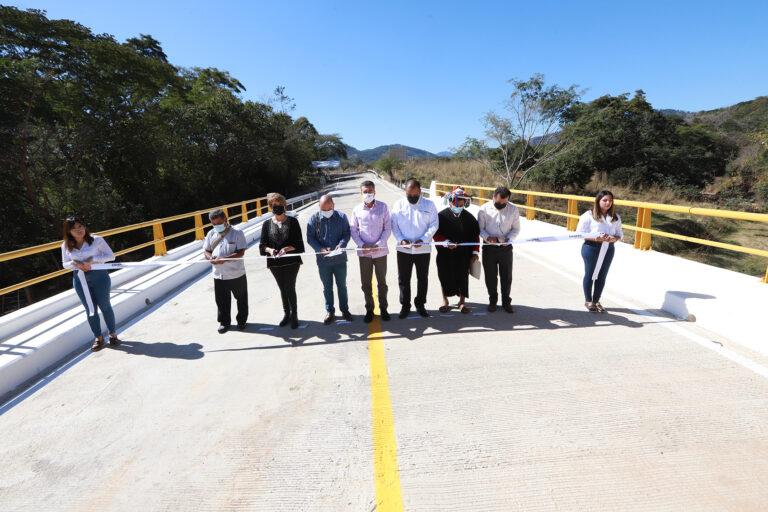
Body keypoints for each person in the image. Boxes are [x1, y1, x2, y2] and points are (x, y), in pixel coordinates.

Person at [61, 216, 119, 351]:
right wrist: (73, 263)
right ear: (69, 231)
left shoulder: (96, 240)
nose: (78, 230)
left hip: (100, 278)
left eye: (80, 226)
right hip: (80, 280)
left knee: (105, 306)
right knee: (90, 309)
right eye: (74, 229)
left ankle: (113, 334)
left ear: (84, 227)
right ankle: (98, 337)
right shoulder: (65, 245)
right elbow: (64, 263)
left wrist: (93, 259)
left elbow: (111, 256)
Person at [390, 178, 439, 319]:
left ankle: (420, 304)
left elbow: (434, 225)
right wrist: (401, 240)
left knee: (422, 278)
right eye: (408, 194)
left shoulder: (429, 205)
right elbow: (394, 225)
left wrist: (423, 240)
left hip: (423, 249)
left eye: (414, 194)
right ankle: (405, 306)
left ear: (420, 191)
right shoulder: (398, 204)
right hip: (403, 249)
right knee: (404, 279)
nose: (411, 197)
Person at [259, 193, 305, 328]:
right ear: (270, 207)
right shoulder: (266, 224)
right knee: (282, 288)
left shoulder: (293, 222)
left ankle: (295, 315)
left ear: (284, 206)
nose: (276, 207)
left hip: (291, 261)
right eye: (274, 205)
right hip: (274, 263)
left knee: (290, 287)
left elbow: (300, 244)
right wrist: (270, 251)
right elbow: (262, 246)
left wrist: (287, 249)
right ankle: (287, 314)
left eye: (279, 205)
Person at [350, 180, 392, 323]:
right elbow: (353, 230)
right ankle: (369, 309)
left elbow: (388, 228)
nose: (368, 194)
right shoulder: (356, 210)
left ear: (374, 192)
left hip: (380, 252)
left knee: (382, 283)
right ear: (361, 193)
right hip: (364, 254)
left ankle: (384, 308)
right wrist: (362, 245)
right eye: (365, 192)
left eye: (370, 191)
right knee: (366, 283)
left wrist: (379, 244)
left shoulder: (383, 207)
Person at [307, 194, 353, 324]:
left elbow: (346, 233)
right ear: (319, 207)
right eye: (324, 210)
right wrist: (320, 249)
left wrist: (341, 245)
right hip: (323, 261)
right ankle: (330, 311)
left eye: (329, 209)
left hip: (340, 260)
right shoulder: (314, 219)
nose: (327, 212)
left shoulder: (341, 217)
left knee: (342, 286)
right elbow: (310, 238)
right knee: (327, 287)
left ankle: (344, 310)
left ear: (333, 205)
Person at [434, 187, 480, 314]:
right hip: (445, 254)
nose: (461, 203)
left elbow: (475, 236)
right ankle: (445, 301)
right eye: (459, 200)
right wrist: (446, 243)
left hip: (463, 254)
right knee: (444, 276)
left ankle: (462, 302)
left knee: (463, 277)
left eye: (463, 200)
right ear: (451, 200)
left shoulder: (470, 218)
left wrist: (475, 252)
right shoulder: (441, 216)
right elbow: (435, 235)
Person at [577, 190, 623, 313]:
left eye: (610, 200)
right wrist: (596, 238)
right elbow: (579, 233)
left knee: (602, 275)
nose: (608, 203)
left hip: (608, 248)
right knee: (591, 274)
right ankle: (588, 300)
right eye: (605, 200)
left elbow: (620, 233)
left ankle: (596, 300)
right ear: (598, 201)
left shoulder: (615, 217)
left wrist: (615, 238)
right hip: (591, 248)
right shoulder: (588, 215)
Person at [203, 209, 248, 334]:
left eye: (219, 223)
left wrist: (226, 259)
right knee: (221, 300)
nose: (216, 226)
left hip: (236, 273)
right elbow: (206, 250)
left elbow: (241, 252)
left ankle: (241, 321)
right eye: (214, 224)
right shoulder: (211, 234)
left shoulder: (237, 233)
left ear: (225, 220)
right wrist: (210, 258)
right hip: (219, 274)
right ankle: (224, 322)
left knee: (241, 298)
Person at [477, 186, 520, 313]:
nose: (501, 205)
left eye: (504, 203)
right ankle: (493, 301)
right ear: (493, 197)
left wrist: (509, 238)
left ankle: (506, 302)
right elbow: (480, 229)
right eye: (498, 203)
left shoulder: (513, 209)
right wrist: (487, 238)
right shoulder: (484, 209)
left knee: (506, 276)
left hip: (505, 248)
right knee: (490, 276)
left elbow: (516, 228)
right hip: (489, 248)